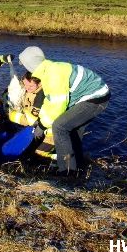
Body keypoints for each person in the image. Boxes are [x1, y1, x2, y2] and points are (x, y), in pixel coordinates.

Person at [18, 46, 110, 175]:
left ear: (31, 64)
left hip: (95, 98)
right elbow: (49, 101)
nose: (25, 69)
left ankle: (67, 173)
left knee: (59, 127)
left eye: (25, 65)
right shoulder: (48, 70)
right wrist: (40, 120)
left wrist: (42, 126)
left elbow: (57, 108)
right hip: (94, 95)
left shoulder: (53, 75)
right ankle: (78, 167)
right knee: (72, 131)